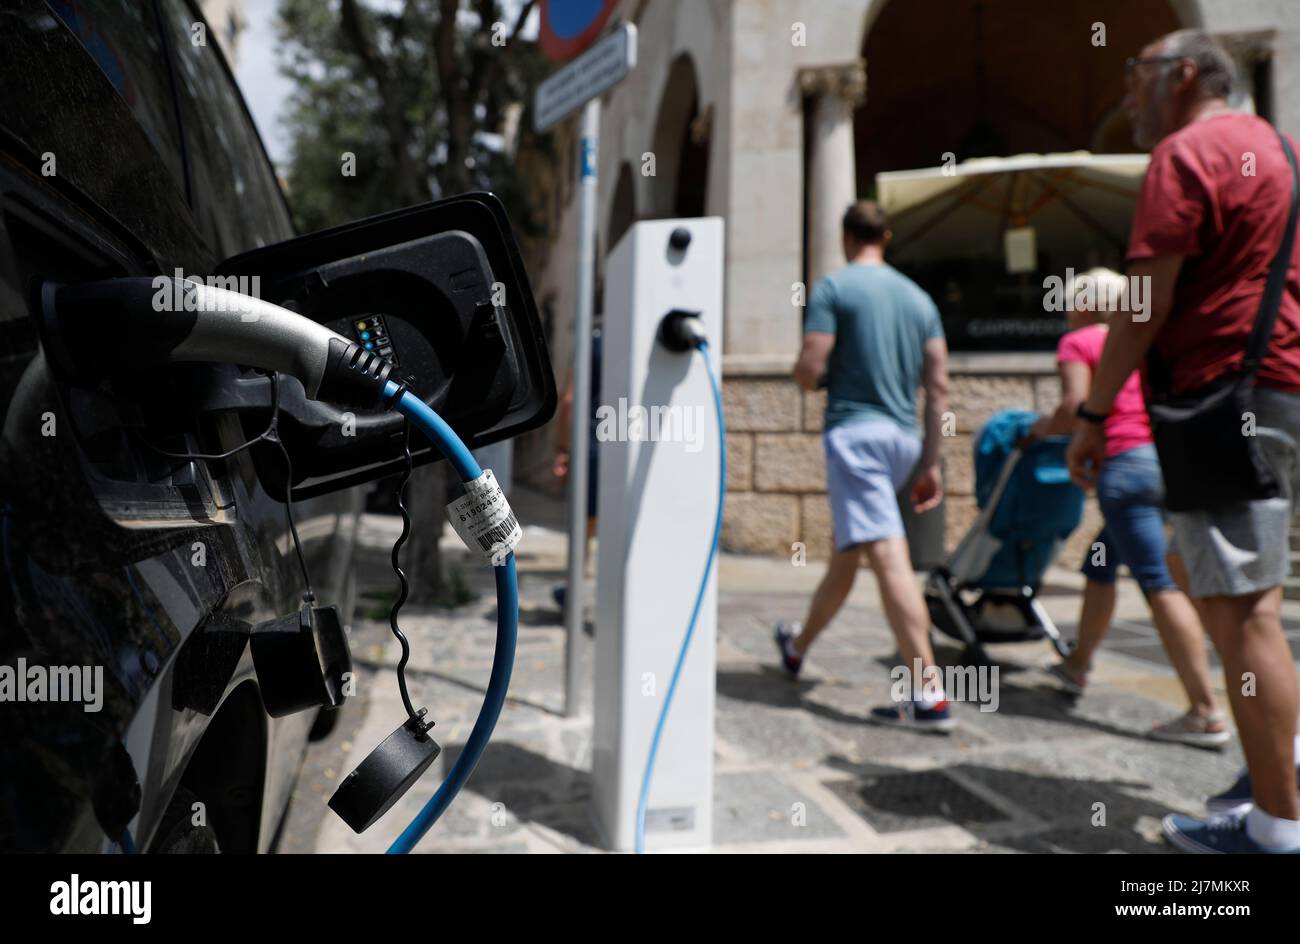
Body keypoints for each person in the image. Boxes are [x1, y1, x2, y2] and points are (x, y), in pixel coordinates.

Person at [1067, 29, 1300, 853]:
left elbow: (1143, 305)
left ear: (1185, 74)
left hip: (1219, 395)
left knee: (1243, 609)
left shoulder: (1186, 153)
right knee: (1228, 587)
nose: (1128, 94)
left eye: (1137, 75)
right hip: (1279, 391)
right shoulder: (1287, 153)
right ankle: (1278, 765)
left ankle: (1278, 826)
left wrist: (1094, 415)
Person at [1030, 267, 1228, 748]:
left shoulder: (1079, 342)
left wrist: (1038, 431)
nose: (1066, 311)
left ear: (1084, 304)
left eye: (1070, 302)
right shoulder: (1145, 339)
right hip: (1164, 460)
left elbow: (1074, 406)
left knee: (1159, 582)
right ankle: (1078, 663)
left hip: (1124, 467)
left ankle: (1205, 710)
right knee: (1101, 564)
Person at [777, 201, 952, 732]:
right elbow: (939, 387)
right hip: (902, 442)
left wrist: (808, 377)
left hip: (857, 439)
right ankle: (798, 648)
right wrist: (930, 462)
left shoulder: (834, 288)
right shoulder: (919, 298)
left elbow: (811, 364)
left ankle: (929, 694)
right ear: (887, 237)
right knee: (847, 554)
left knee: (888, 556)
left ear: (846, 237)